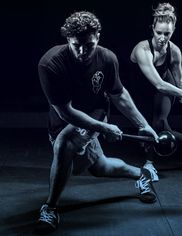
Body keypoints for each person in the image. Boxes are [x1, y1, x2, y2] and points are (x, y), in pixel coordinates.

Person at [36, 11, 159, 233]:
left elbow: (118, 94)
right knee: (99, 167)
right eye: (76, 45)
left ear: (98, 37)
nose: (82, 51)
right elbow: (66, 112)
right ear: (68, 40)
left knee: (64, 144)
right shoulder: (50, 64)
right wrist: (104, 128)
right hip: (64, 118)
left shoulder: (107, 58)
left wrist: (143, 124)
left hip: (94, 112)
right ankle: (142, 175)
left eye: (89, 45)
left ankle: (50, 208)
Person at [130, 2, 182, 177]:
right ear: (152, 29)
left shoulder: (174, 51)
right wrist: (181, 93)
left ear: (173, 30)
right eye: (159, 32)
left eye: (167, 33)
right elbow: (157, 82)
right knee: (152, 130)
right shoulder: (142, 49)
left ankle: (149, 164)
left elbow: (179, 80)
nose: (162, 37)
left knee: (159, 124)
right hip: (141, 90)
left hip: (165, 89)